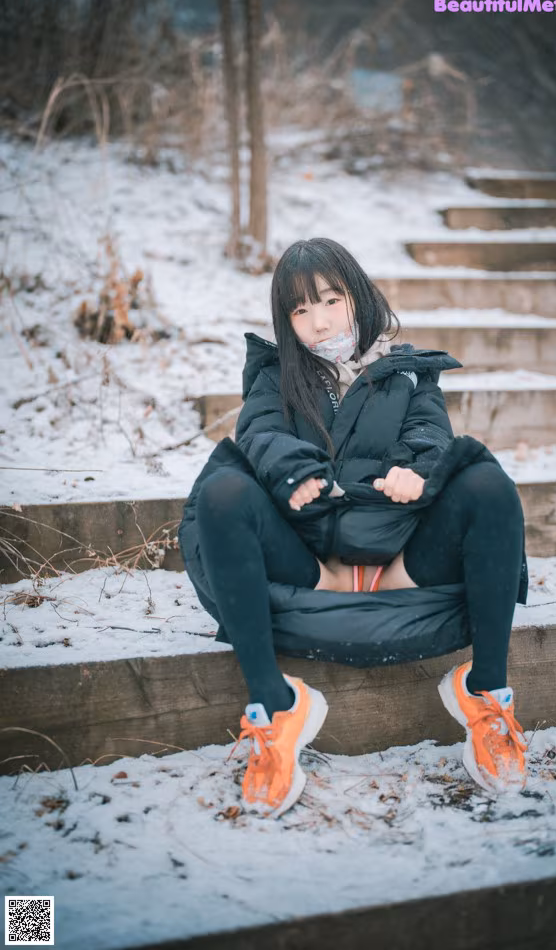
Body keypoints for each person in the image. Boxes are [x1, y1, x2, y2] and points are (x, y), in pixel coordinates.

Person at [178, 237, 528, 820]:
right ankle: (275, 704)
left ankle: (486, 691)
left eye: (330, 301)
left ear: (358, 298)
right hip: (310, 565)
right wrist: (292, 472)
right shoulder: (275, 377)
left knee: (486, 480)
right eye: (299, 310)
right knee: (222, 488)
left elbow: (430, 435)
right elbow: (261, 433)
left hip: (400, 565)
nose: (317, 322)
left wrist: (418, 473)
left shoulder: (410, 373)